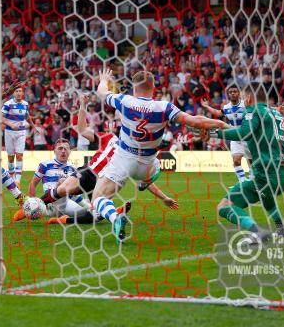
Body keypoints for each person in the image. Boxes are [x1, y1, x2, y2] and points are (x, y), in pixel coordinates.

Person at [92, 68, 229, 242]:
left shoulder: (124, 101)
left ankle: (115, 217)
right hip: (148, 165)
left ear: (135, 87)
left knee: (98, 198)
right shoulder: (164, 107)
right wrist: (223, 124)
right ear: (153, 88)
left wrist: (104, 79)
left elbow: (101, 92)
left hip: (125, 159)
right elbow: (196, 120)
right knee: (154, 168)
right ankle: (146, 182)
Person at [45, 94, 179, 225]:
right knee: (62, 189)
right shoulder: (107, 137)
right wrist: (83, 106)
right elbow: (82, 129)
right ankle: (37, 204)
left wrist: (164, 198)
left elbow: (145, 181)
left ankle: (63, 219)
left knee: (96, 217)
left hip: (103, 182)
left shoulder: (131, 153)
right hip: (89, 172)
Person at [209, 83, 284, 242]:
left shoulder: (252, 111)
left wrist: (215, 133)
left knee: (225, 206)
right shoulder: (278, 115)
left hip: (268, 172)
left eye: (244, 96)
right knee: (265, 194)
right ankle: (281, 230)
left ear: (249, 97)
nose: (243, 100)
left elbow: (245, 133)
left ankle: (257, 232)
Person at [13, 138, 86, 221]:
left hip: (67, 203)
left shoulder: (73, 168)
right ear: (54, 151)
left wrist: (84, 203)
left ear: (70, 151)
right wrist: (32, 202)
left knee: (88, 209)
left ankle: (64, 218)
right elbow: (33, 183)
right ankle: (33, 210)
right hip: (51, 204)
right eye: (60, 148)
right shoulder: (45, 165)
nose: (63, 151)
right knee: (62, 182)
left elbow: (74, 192)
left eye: (66, 148)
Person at [201, 85, 252, 182]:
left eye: (235, 91)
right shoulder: (226, 107)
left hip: (248, 137)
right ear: (228, 94)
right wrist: (206, 106)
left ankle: (253, 180)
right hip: (235, 138)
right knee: (236, 160)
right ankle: (242, 183)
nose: (232, 93)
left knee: (251, 162)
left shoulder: (245, 104)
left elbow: (259, 109)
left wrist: (276, 108)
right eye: (230, 92)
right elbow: (218, 113)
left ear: (239, 93)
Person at [2, 86, 33, 185]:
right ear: (13, 93)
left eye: (20, 91)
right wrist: (11, 124)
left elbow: (27, 116)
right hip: (9, 132)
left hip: (21, 132)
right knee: (11, 157)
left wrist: (34, 126)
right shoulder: (8, 104)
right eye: (17, 91)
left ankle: (17, 181)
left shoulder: (25, 104)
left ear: (22, 93)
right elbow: (1, 117)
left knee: (19, 156)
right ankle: (12, 177)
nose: (19, 93)